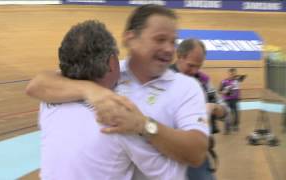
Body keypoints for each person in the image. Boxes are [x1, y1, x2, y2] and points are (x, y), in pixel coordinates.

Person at [27, 4, 209, 180]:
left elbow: (197, 153)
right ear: (130, 38)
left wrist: (144, 126)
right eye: (160, 39)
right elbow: (38, 84)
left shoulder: (187, 87)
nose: (170, 49)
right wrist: (90, 90)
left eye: (173, 41)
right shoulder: (101, 73)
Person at [170, 39, 231, 180]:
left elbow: (226, 112)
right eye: (190, 65)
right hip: (169, 155)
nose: (195, 71)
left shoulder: (203, 81)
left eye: (199, 66)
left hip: (198, 155)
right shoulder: (162, 79)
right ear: (179, 55)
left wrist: (213, 108)